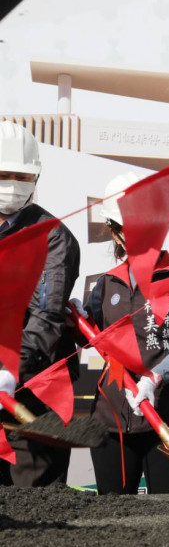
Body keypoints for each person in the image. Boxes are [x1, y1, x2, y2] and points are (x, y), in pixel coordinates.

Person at [78, 172, 169, 494]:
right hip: (111, 420)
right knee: (112, 516)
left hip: (168, 416)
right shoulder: (107, 283)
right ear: (115, 232)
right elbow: (95, 335)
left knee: (166, 516)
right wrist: (78, 320)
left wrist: (154, 378)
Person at [0, 121, 80, 487]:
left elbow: (47, 313)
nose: (13, 183)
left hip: (33, 388)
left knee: (33, 498)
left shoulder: (53, 237)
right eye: (4, 174)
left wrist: (11, 368)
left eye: (22, 175)